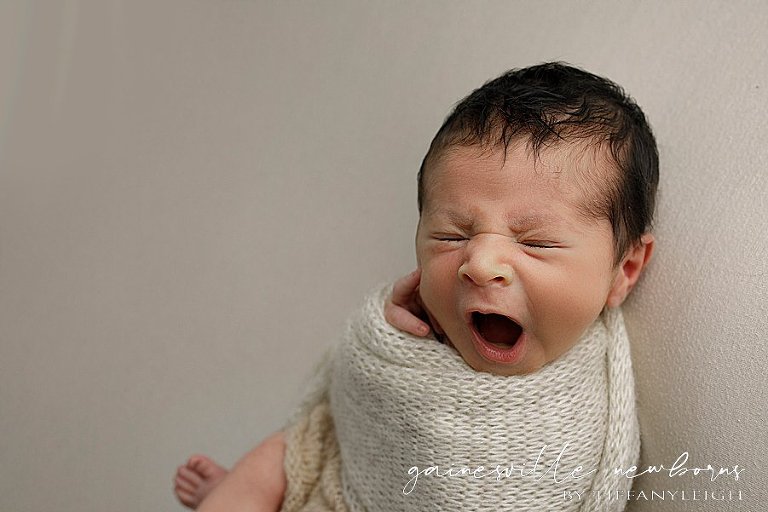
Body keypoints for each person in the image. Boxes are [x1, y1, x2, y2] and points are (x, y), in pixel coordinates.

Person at [173, 61, 658, 511]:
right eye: (452, 235)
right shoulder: (419, 329)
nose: (480, 263)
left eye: (537, 243)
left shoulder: (580, 424)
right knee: (289, 448)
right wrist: (384, 330)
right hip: (336, 479)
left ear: (624, 271)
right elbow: (356, 400)